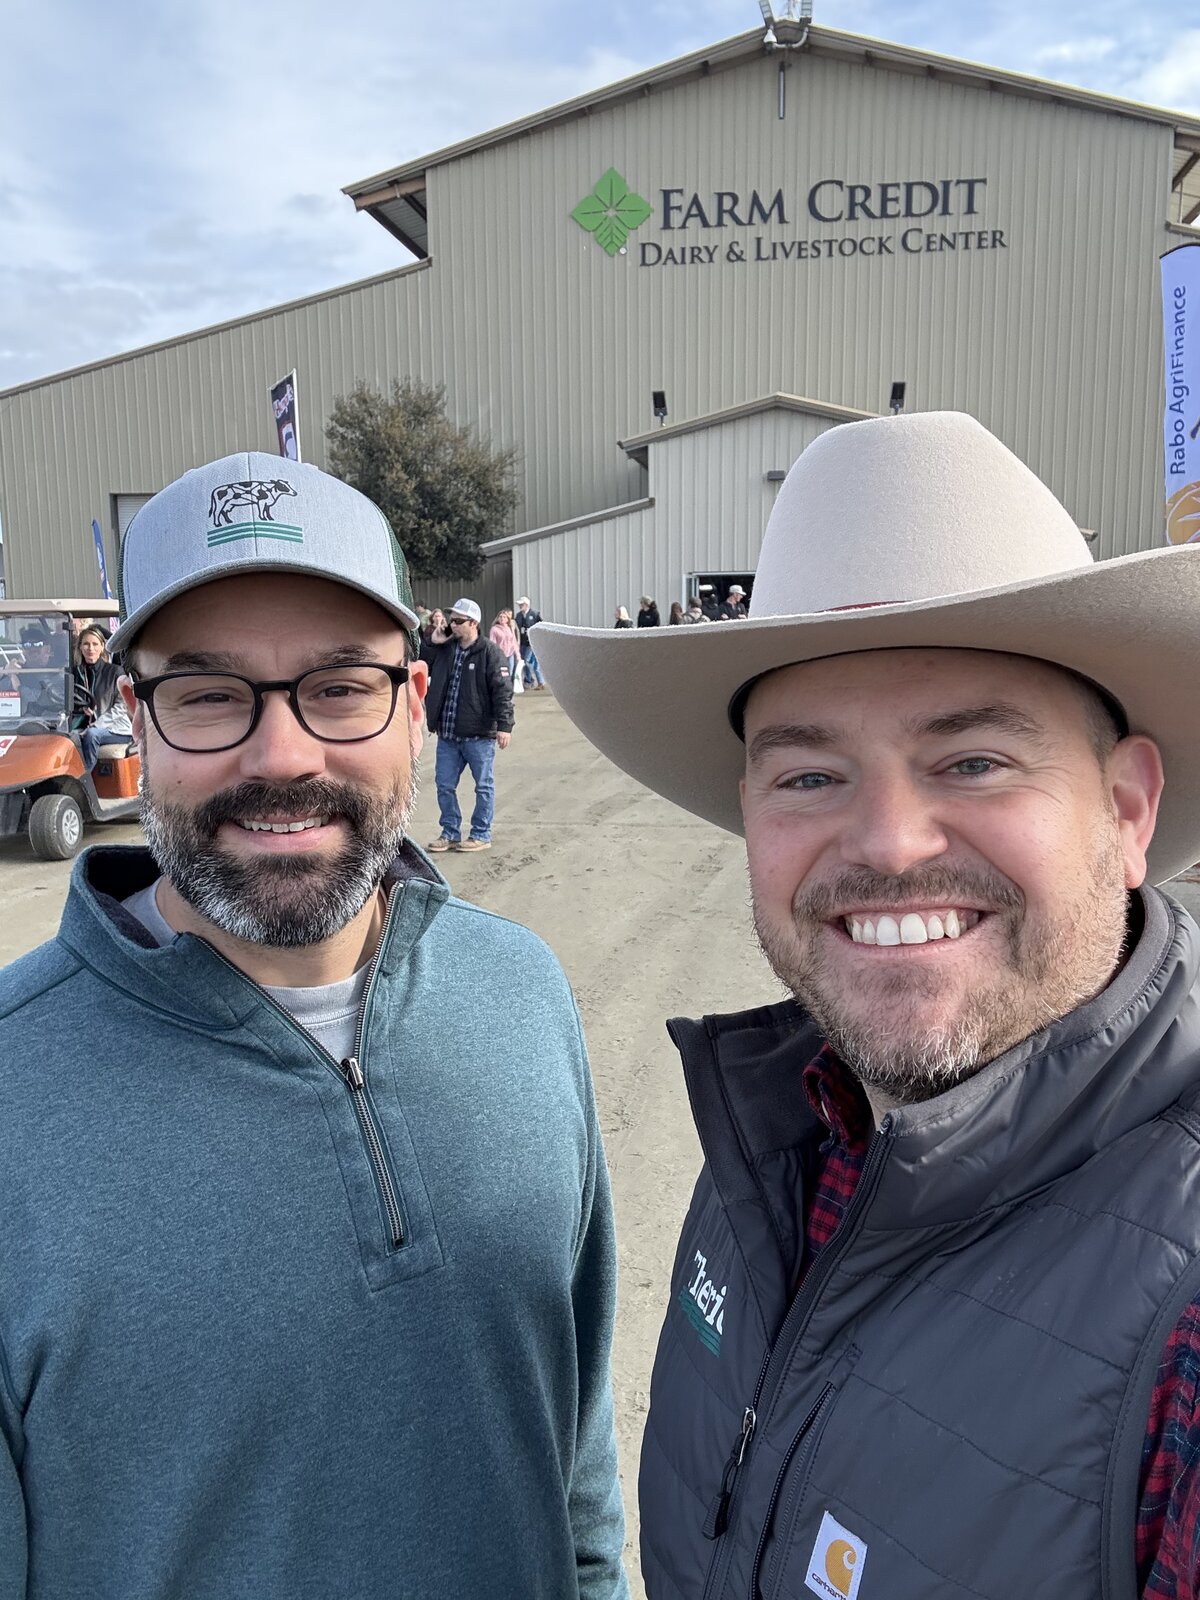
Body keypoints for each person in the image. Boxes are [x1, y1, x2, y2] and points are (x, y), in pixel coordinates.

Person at [536, 412, 1200, 1599]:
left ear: (1127, 807)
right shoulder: (785, 1125)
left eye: (974, 760)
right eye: (809, 774)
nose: (889, 844)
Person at [0, 452, 626, 1600]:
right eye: (208, 694)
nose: (283, 754)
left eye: (340, 686)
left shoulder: (522, 993)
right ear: (137, 717)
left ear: (417, 707)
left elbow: (574, 1458)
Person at [421, 597, 514, 853]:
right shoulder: (445, 648)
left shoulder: (490, 653)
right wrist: (433, 642)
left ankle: (480, 834)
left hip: (478, 735)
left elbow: (502, 691)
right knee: (444, 785)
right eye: (452, 620)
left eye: (458, 621)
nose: (453, 624)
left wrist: (505, 725)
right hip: (448, 735)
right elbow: (421, 662)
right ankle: (450, 832)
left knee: (483, 786)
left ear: (474, 623)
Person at [72, 624, 128, 770]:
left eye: (95, 644)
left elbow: (122, 707)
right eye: (86, 644)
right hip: (86, 724)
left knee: (91, 735)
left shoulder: (115, 672)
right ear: (80, 648)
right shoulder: (77, 673)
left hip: (116, 727)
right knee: (69, 736)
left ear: (102, 647)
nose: (90, 648)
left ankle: (86, 779)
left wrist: (97, 722)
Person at [514, 597, 546, 691]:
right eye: (519, 605)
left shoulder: (535, 614)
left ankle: (529, 680)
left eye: (522, 604)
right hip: (523, 642)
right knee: (531, 662)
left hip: (532, 642)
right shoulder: (519, 615)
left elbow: (541, 626)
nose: (520, 606)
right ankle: (534, 681)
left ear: (526, 605)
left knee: (527, 661)